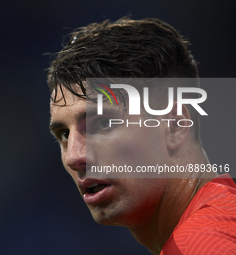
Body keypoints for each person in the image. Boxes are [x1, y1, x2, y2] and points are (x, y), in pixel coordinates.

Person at [47, 17, 236, 254]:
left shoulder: (203, 242)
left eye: (103, 123)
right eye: (64, 134)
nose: (73, 157)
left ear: (175, 126)